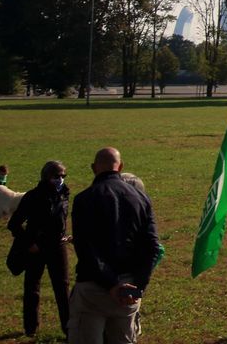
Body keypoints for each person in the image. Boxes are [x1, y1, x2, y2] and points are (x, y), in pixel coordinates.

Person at [68, 147, 159, 344]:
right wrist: (138, 287)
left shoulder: (84, 199)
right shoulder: (141, 198)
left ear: (94, 168)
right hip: (129, 292)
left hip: (93, 289)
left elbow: (85, 249)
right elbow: (152, 246)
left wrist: (110, 284)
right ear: (121, 167)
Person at [7, 160, 70, 339]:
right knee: (32, 287)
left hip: (58, 246)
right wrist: (29, 243)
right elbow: (14, 224)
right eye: (56, 176)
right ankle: (30, 328)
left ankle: (68, 327)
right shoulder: (33, 196)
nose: (60, 179)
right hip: (36, 247)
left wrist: (64, 236)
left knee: (62, 288)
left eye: (63, 176)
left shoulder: (65, 194)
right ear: (46, 177)